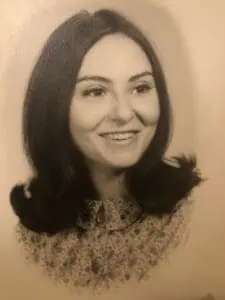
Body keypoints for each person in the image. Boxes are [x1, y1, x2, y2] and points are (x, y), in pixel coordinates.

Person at [10, 8, 203, 292]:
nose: (124, 113)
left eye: (140, 88)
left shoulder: (196, 216)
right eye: (96, 92)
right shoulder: (25, 243)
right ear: (54, 107)